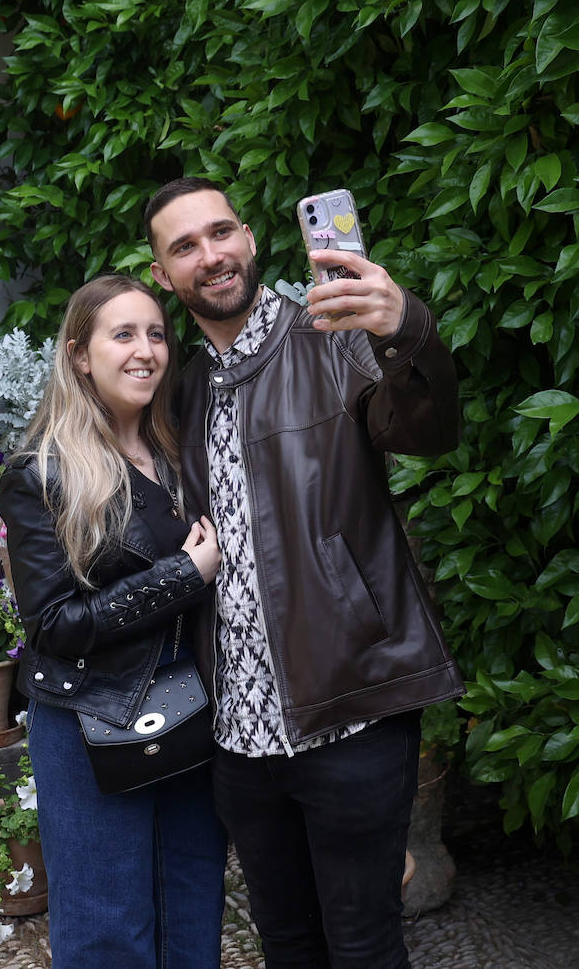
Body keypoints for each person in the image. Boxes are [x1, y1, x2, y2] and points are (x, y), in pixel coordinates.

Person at [143, 176, 464, 969]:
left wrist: (405, 330)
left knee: (362, 943)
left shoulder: (333, 338)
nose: (210, 255)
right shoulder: (179, 390)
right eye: (185, 246)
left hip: (353, 710)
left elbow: (426, 427)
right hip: (240, 737)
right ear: (162, 274)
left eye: (221, 233)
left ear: (251, 240)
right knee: (285, 942)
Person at [0, 274, 228, 969]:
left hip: (188, 706)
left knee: (192, 907)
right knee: (106, 929)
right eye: (123, 334)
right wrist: (181, 577)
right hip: (89, 717)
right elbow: (54, 624)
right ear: (80, 355)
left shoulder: (181, 453)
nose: (145, 350)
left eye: (156, 333)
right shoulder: (42, 472)